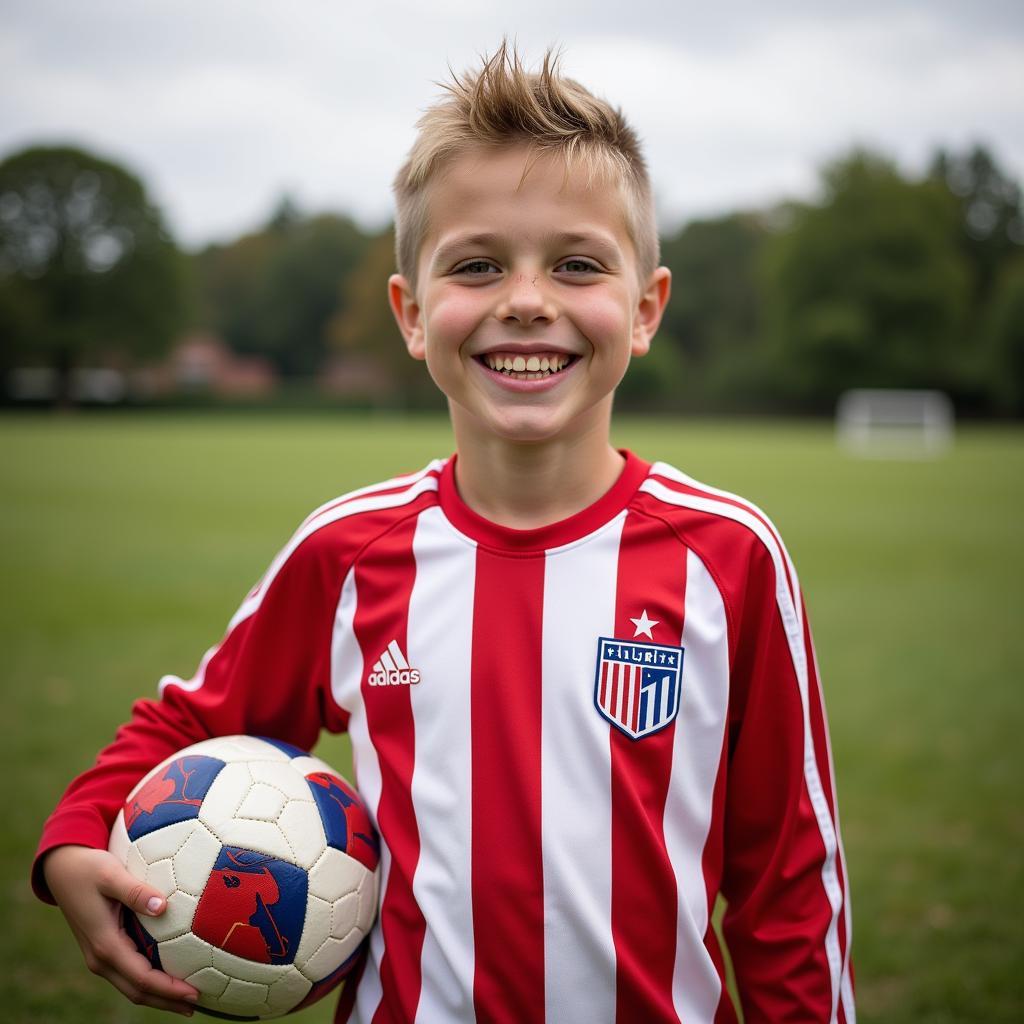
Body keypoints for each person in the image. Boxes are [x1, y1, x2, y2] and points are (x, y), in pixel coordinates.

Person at [33, 42, 854, 1024]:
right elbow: (189, 722)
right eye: (476, 264)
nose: (525, 298)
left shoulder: (729, 557)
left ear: (644, 309)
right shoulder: (350, 552)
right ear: (412, 313)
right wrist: (76, 835)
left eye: (576, 263)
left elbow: (787, 882)